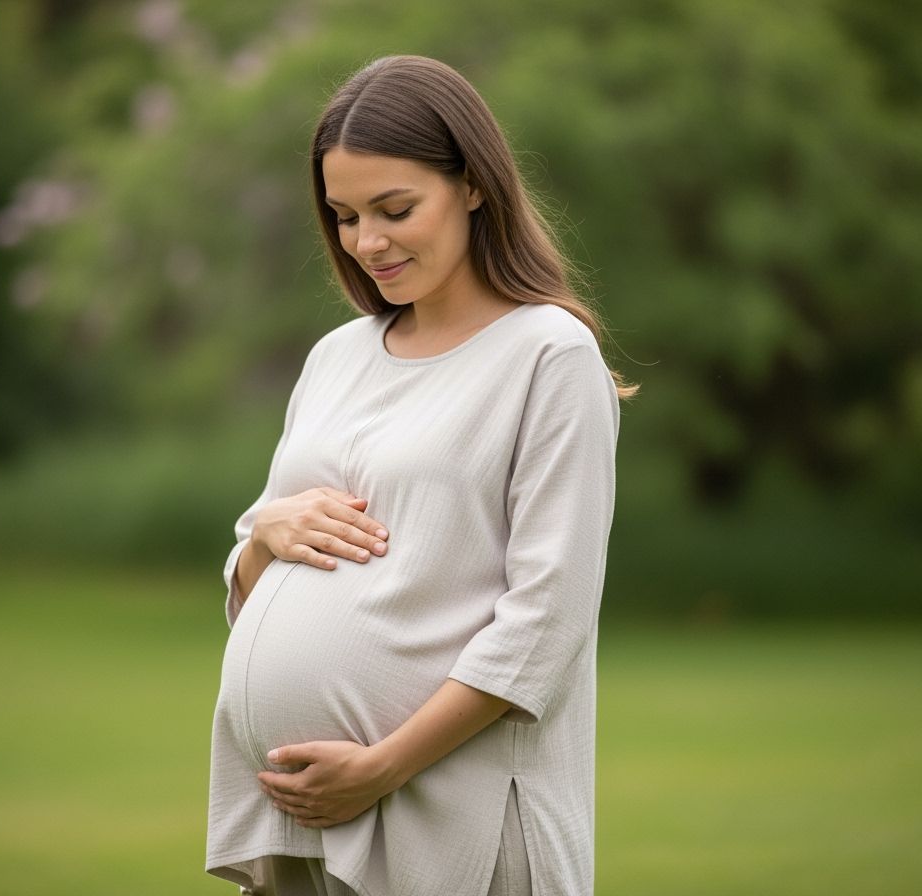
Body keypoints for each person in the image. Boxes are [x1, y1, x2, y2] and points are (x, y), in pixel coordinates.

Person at [205, 55, 636, 896]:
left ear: (473, 185)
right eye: (344, 216)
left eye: (395, 209)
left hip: (457, 817)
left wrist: (379, 767)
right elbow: (251, 585)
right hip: (299, 819)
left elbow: (547, 622)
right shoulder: (336, 357)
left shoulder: (549, 354)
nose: (367, 242)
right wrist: (266, 535)